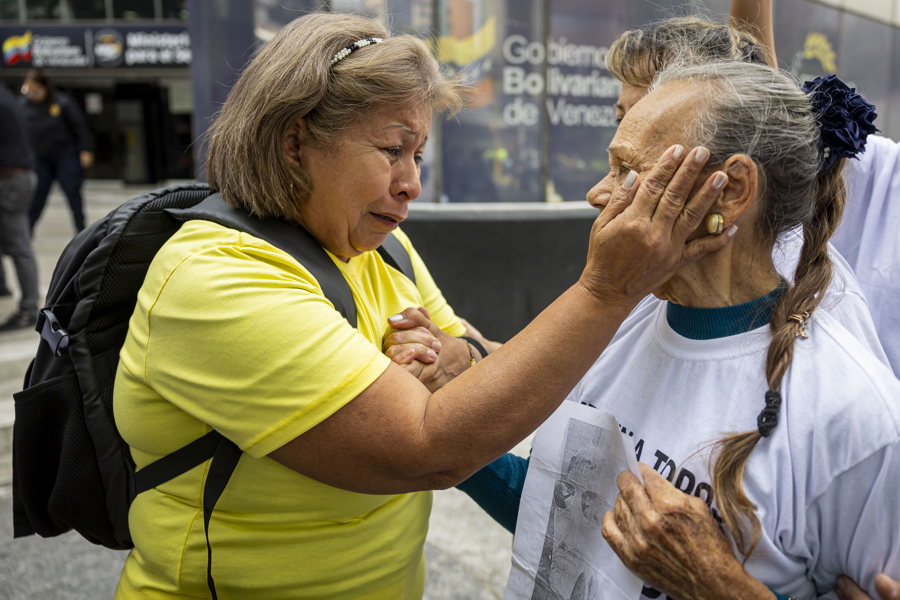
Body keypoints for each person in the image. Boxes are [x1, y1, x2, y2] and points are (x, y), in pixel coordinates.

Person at [111, 12, 733, 599]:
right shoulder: (219, 278)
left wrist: (450, 356)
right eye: (391, 150)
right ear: (295, 142)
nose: (411, 183)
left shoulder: (383, 247)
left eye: (418, 156)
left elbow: (480, 360)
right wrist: (605, 290)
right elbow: (428, 448)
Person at [533, 61, 900, 599]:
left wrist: (719, 585)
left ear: (731, 191)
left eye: (628, 171)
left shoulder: (858, 417)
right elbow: (553, 515)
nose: (598, 193)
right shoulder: (621, 316)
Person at [20, 68, 94, 234]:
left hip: (64, 155)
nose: (33, 94)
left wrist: (86, 150)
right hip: (40, 159)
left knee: (73, 194)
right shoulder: (22, 106)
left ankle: (82, 232)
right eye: (29, 90)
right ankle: (26, 235)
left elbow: (80, 128)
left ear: (45, 87)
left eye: (36, 90)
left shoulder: (62, 103)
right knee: (36, 198)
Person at [0, 83, 39, 332]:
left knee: (18, 246)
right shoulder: (5, 94)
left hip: (11, 180)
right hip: (15, 177)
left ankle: (28, 309)